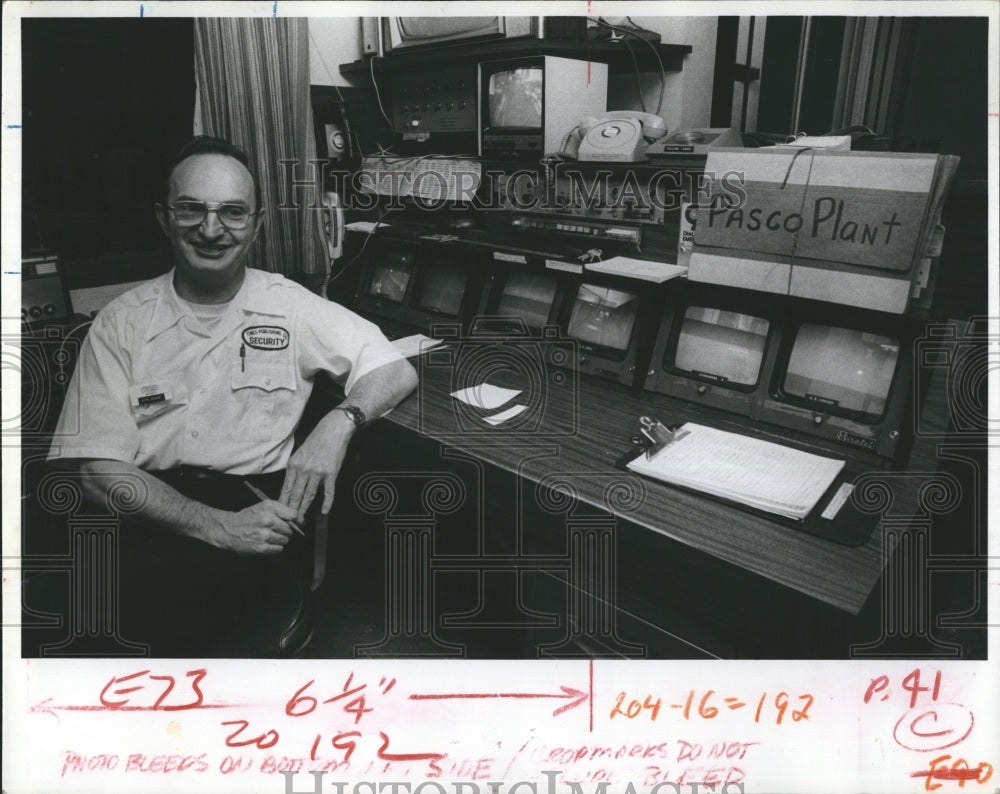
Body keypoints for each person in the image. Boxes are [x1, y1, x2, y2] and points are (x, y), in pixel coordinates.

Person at [46, 136, 418, 656]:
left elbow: (394, 369)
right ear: (163, 218)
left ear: (257, 223)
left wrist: (338, 425)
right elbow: (93, 473)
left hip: (253, 509)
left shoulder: (292, 307)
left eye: (232, 213)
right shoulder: (120, 322)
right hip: (140, 516)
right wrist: (216, 527)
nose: (213, 229)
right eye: (192, 210)